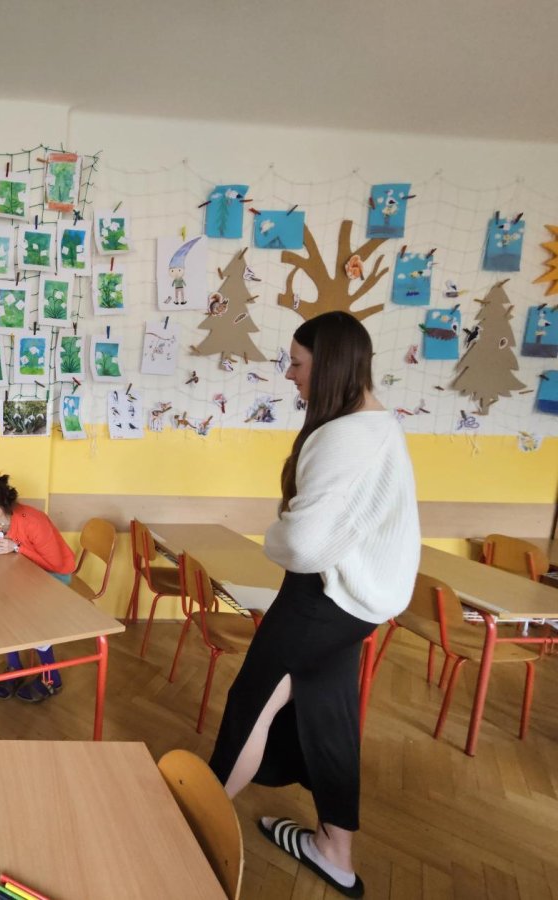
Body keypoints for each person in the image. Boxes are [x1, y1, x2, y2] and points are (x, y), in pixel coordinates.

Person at [208, 311, 420, 899]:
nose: (289, 375)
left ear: (327, 365)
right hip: (355, 603)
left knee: (251, 703)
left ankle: (189, 829)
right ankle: (335, 854)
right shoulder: (379, 425)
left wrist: (272, 536)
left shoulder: (345, 436)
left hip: (321, 599)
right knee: (329, 715)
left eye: (297, 364)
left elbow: (301, 544)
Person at [0, 473, 76, 703]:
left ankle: (52, 677)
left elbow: (55, 564)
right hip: (23, 569)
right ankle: (15, 667)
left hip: (54, 576)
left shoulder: (33, 522)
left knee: (27, 616)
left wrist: (16, 547)